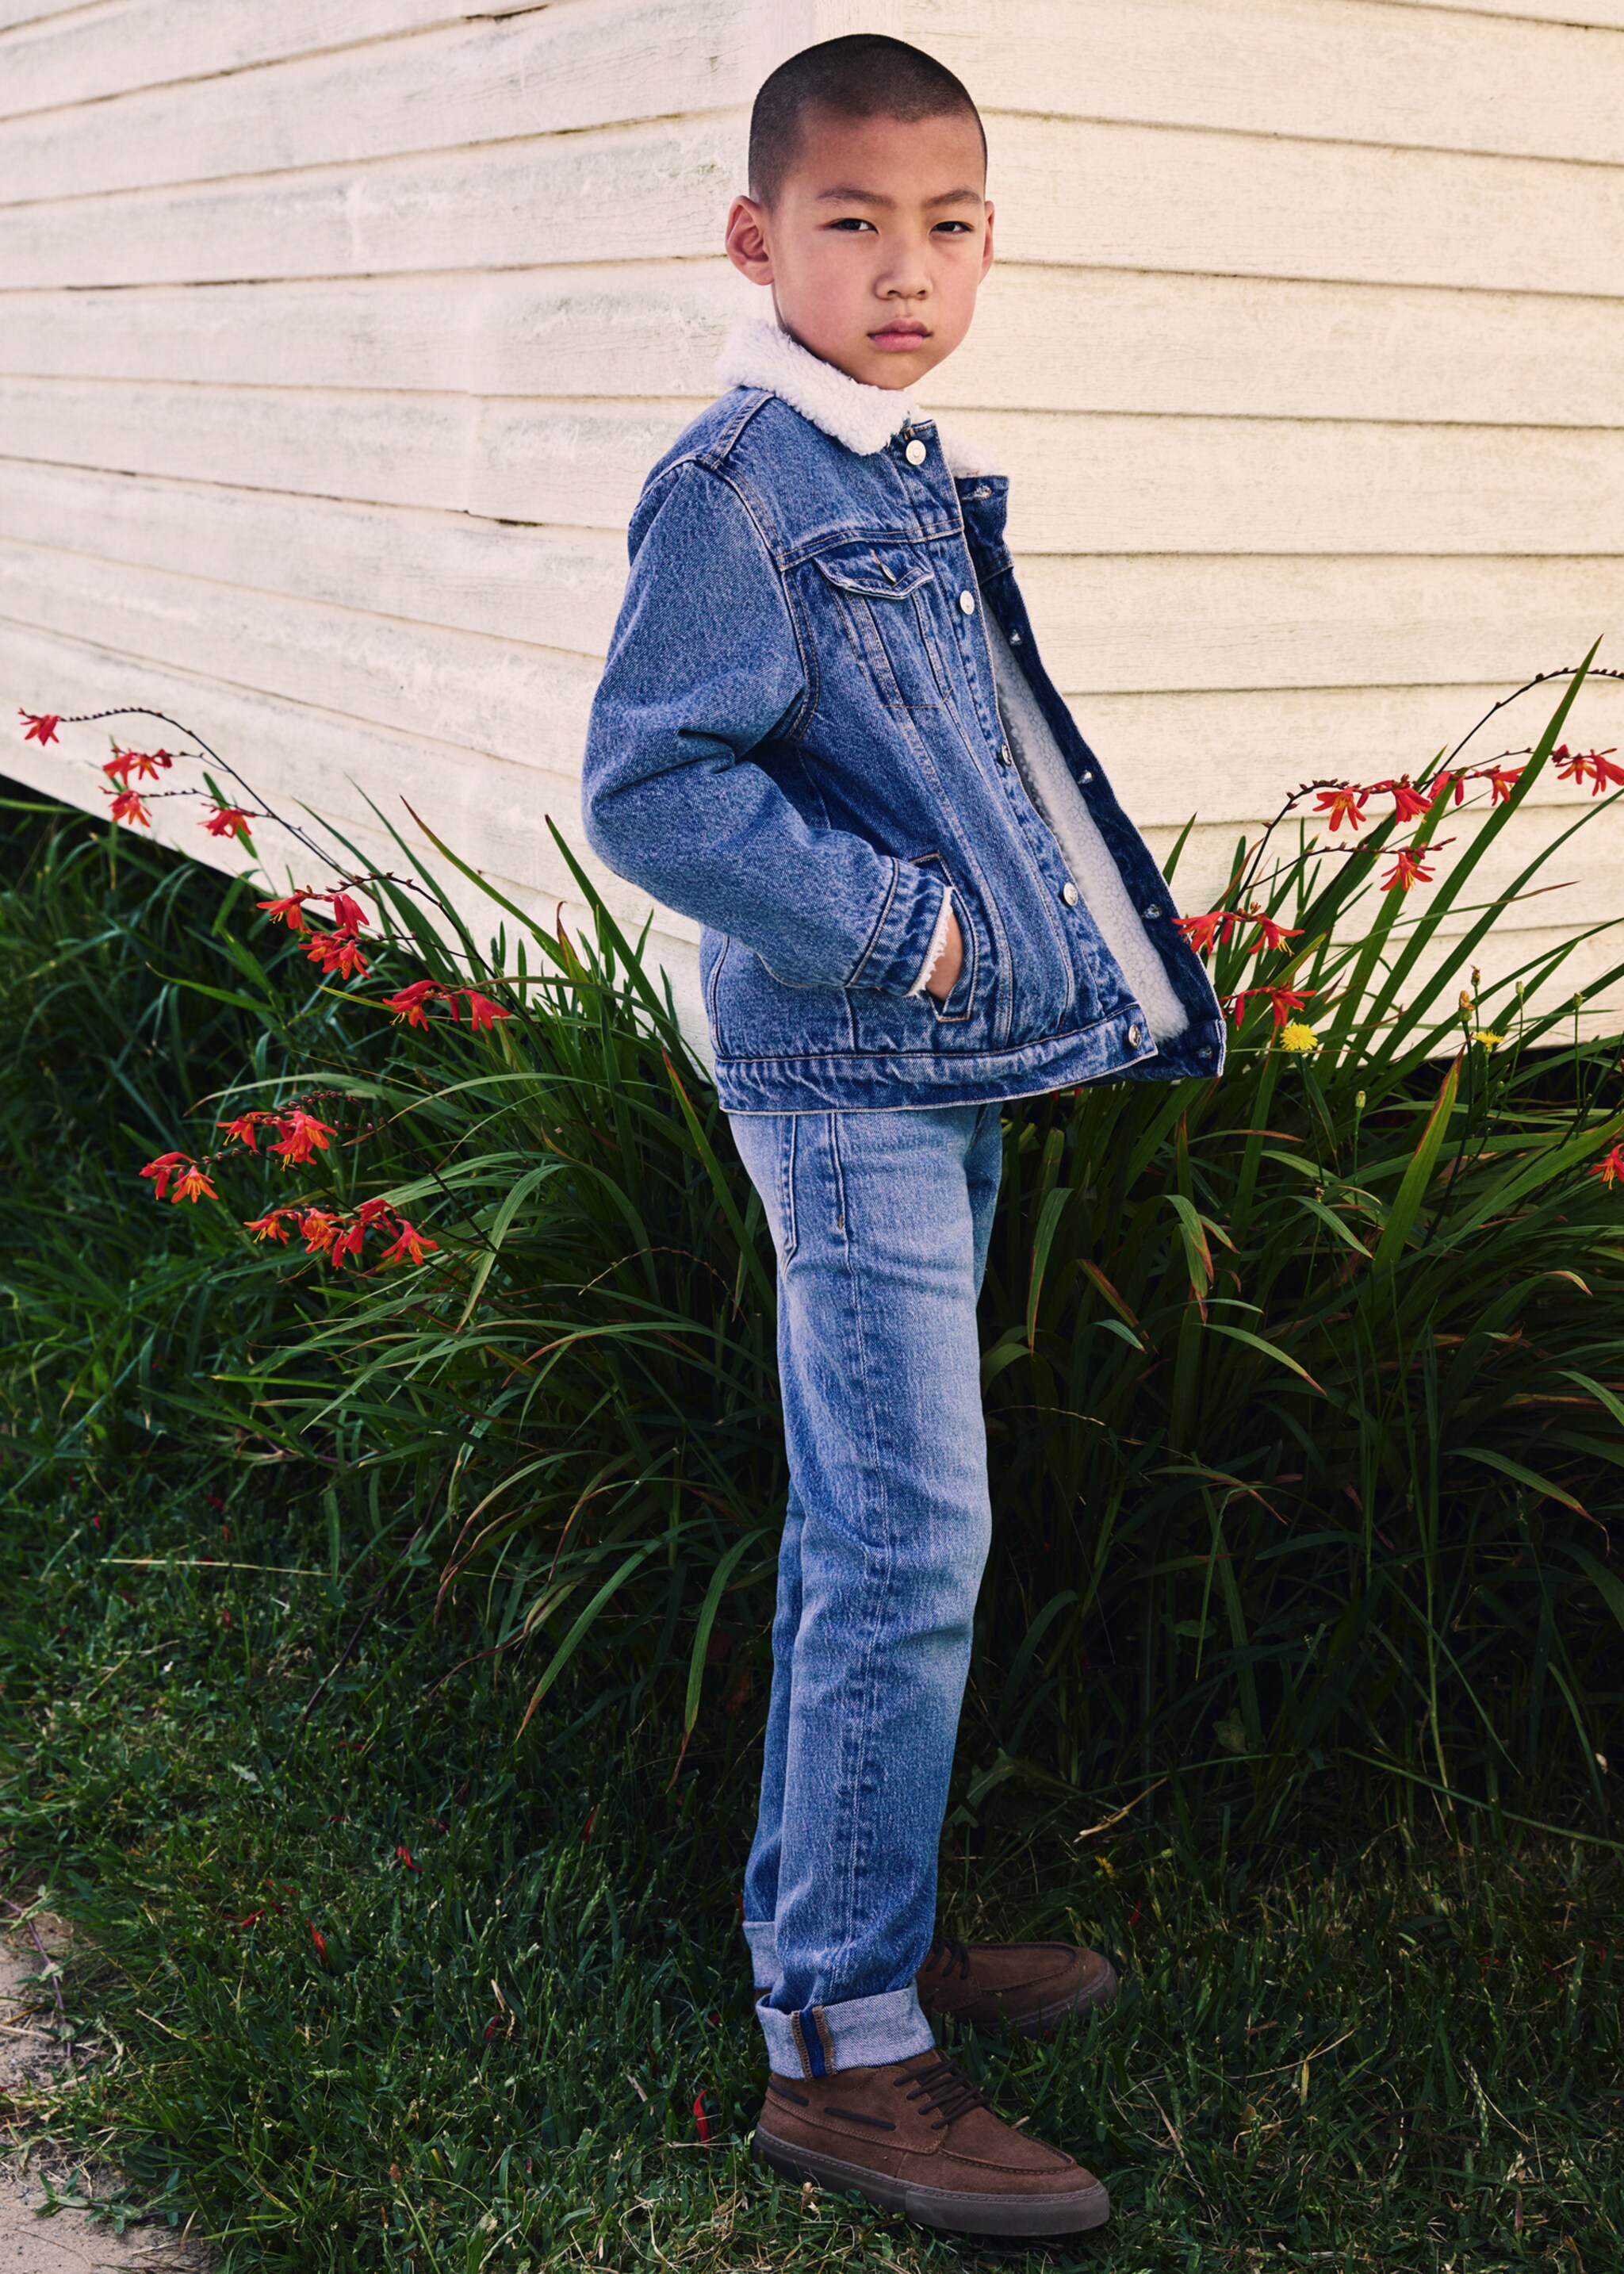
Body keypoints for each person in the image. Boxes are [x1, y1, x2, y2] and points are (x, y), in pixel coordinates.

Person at [582, 33, 1224, 2241]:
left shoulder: (894, 473)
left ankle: (858, 1919)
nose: (905, 267)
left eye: (949, 225)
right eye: (853, 223)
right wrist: (918, 939)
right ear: (759, 241)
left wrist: (1048, 954)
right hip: (848, 1076)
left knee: (891, 1529)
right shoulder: (745, 482)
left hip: (934, 1079)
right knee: (900, 1539)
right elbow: (652, 780)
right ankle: (847, 2045)